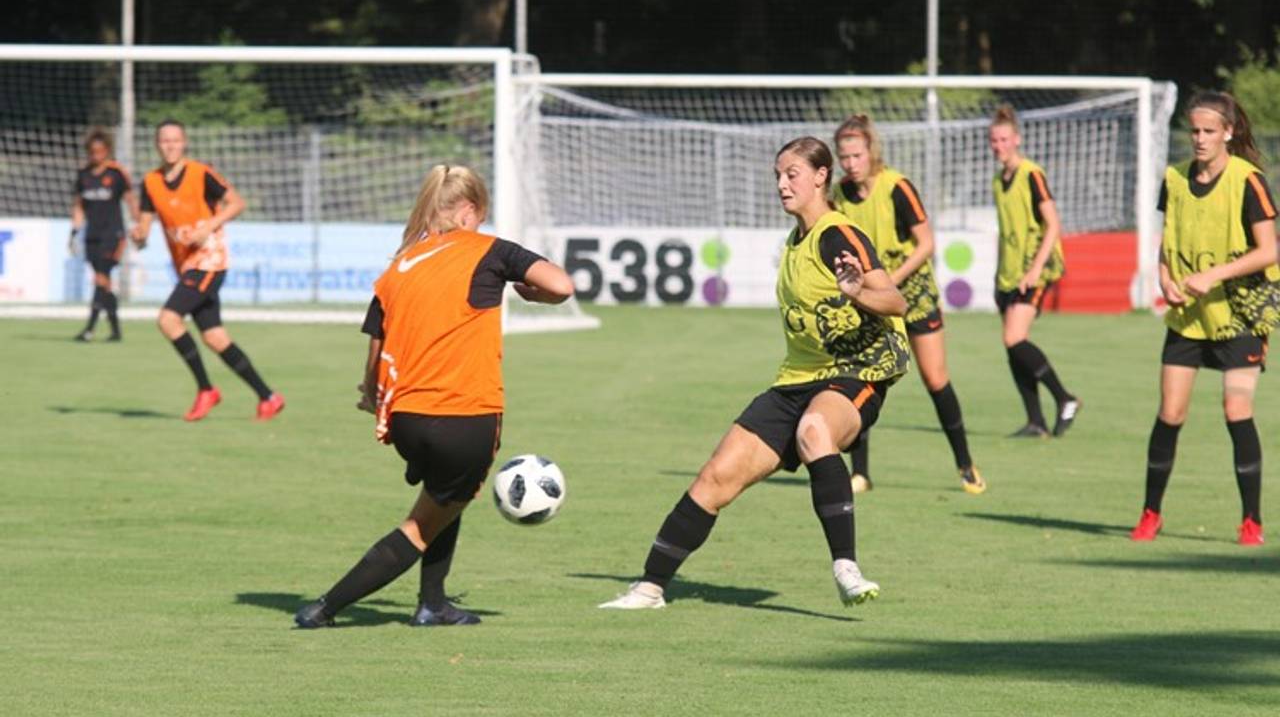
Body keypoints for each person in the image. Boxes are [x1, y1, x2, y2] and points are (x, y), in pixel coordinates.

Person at [600, 137, 910, 611]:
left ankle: (846, 568)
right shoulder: (795, 240)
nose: (782, 184)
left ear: (821, 177)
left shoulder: (837, 234)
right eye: (778, 175)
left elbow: (895, 301)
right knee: (715, 478)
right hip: (798, 376)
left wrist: (857, 293)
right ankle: (650, 588)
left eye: (792, 174)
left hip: (860, 370)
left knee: (814, 430)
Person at [295, 164, 574, 628]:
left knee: (445, 499)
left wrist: (371, 396)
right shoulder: (489, 250)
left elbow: (376, 347)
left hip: (406, 418)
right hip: (465, 415)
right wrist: (535, 296)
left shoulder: (401, 266)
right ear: (468, 211)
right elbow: (561, 285)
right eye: (479, 216)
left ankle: (434, 603)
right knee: (421, 526)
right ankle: (324, 608)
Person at [1131, 91, 1279, 547]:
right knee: (1170, 412)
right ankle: (1150, 514)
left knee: (1236, 409)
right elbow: (1167, 241)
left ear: (1228, 133)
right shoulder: (1174, 179)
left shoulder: (1248, 181)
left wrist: (1214, 274)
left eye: (1209, 131)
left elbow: (1269, 251)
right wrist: (1164, 278)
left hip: (1240, 315)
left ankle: (1251, 522)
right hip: (1188, 317)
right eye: (1194, 130)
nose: (1199, 138)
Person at [833, 114, 984, 495]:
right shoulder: (840, 195)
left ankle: (965, 465)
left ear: (871, 151)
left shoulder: (897, 187)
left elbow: (926, 243)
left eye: (856, 155)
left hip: (913, 294)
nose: (850, 163)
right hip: (870, 297)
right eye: (844, 156)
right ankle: (860, 473)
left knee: (935, 378)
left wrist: (892, 281)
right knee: (860, 376)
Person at [131, 119, 284, 422]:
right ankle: (268, 397)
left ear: (184, 142)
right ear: (157, 145)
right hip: (186, 266)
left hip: (209, 261)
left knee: (168, 319)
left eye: (175, 140)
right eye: (164, 140)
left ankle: (206, 390)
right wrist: (139, 236)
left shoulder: (200, 173)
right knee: (215, 337)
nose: (170, 145)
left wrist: (207, 227)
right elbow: (144, 228)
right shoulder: (150, 182)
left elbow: (236, 203)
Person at [989, 105, 1080, 438]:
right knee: (1013, 347)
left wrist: (1034, 269)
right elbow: (1005, 231)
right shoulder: (998, 181)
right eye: (994, 140)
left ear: (1017, 139)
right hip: (1009, 273)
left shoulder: (1032, 174)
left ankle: (1065, 398)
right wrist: (999, 273)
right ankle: (1035, 421)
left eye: (1004, 139)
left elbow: (1053, 224)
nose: (998, 146)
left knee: (1014, 338)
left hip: (1035, 270)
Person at [71, 129, 139, 342]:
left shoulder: (116, 173)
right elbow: (78, 206)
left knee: (100, 278)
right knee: (105, 284)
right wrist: (74, 232)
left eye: (100, 151)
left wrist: (140, 225)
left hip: (113, 234)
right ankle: (116, 331)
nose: (96, 155)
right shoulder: (83, 175)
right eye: (92, 151)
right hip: (92, 235)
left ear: (107, 151)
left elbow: (131, 200)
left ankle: (89, 329)